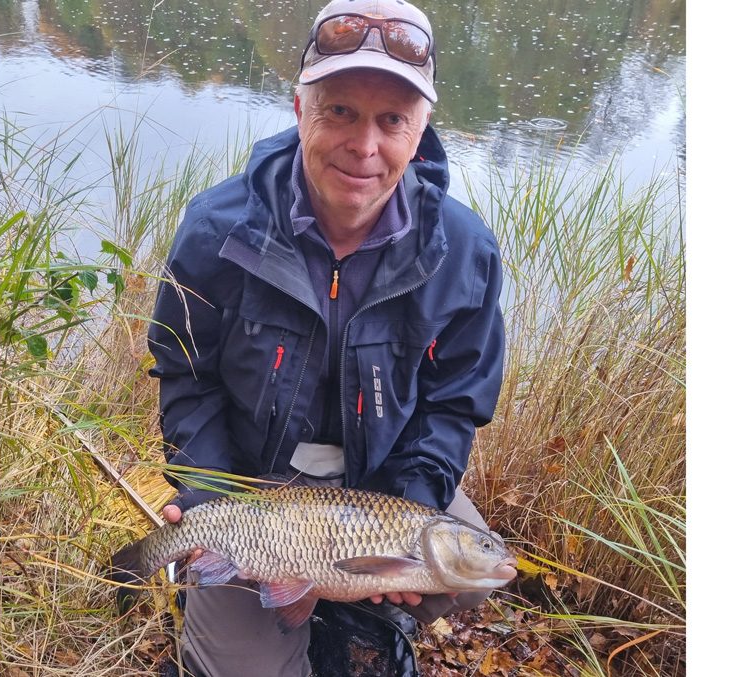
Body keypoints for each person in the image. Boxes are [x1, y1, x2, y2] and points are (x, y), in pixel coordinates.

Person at [147, 0, 506, 674]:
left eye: (392, 120)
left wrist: (408, 515)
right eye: (340, 111)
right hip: (252, 485)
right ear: (299, 108)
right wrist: (209, 497)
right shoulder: (216, 228)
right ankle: (234, 589)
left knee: (470, 567)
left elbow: (454, 404)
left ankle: (356, 596)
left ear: (420, 131)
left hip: (383, 486)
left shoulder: (465, 252)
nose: (364, 147)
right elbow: (186, 377)